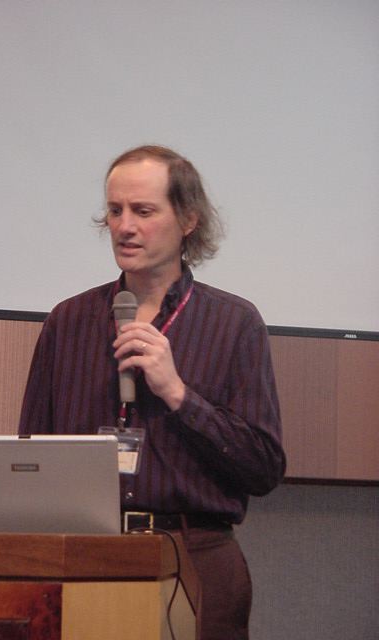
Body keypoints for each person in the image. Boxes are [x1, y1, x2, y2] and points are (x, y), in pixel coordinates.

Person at [19, 145, 286, 640]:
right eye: (115, 210)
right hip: (83, 556)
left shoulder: (235, 323)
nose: (124, 227)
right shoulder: (68, 320)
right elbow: (31, 455)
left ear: (188, 219)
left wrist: (180, 394)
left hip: (195, 553)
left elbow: (263, 468)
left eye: (143, 211)